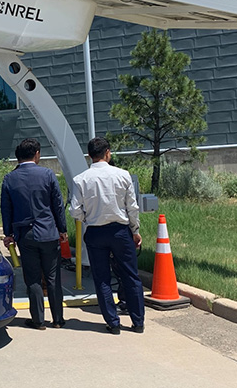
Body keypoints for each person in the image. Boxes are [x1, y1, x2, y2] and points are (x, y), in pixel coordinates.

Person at [70, 137, 145, 335]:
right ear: (108, 153)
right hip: (120, 230)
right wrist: (135, 231)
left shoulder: (81, 179)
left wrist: (86, 218)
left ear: (89, 156)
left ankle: (113, 323)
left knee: (102, 278)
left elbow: (74, 210)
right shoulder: (123, 175)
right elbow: (132, 207)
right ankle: (138, 322)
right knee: (131, 275)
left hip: (95, 231)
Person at [1, 138, 67, 330]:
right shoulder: (47, 174)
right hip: (48, 232)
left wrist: (8, 233)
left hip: (25, 234)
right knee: (53, 276)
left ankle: (38, 320)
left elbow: (6, 208)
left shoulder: (9, 178)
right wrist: (62, 229)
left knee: (33, 278)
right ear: (37, 154)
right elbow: (58, 205)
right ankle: (58, 319)